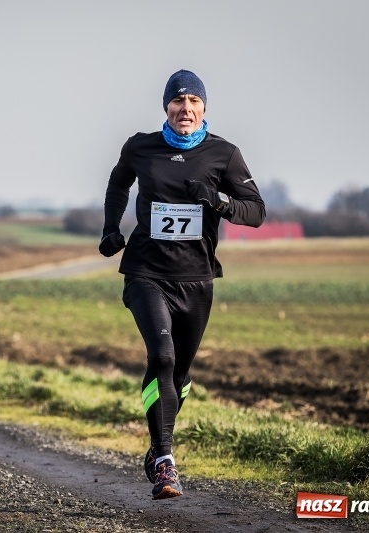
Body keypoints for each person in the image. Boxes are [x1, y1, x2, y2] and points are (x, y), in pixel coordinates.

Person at [99, 69, 265, 500]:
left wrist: (219, 201)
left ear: (204, 108)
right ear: (166, 107)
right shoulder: (141, 147)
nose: (185, 109)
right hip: (146, 273)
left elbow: (255, 211)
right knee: (164, 356)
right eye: (178, 102)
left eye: (193, 102)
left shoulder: (223, 155)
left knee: (180, 373)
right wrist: (110, 229)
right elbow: (118, 185)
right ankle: (167, 464)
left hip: (196, 279)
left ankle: (155, 447)